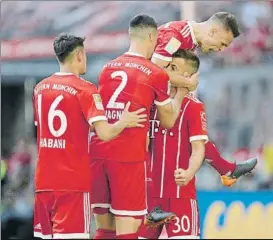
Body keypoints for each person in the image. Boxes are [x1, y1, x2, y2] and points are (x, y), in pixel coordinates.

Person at [32, 33, 147, 239]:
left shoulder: (40, 88)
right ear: (78, 55)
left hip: (43, 183)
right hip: (72, 184)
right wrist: (124, 121)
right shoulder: (85, 89)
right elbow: (105, 133)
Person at [89, 14, 188, 239]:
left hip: (97, 152)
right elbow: (168, 120)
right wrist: (182, 92)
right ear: (152, 36)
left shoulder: (106, 68)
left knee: (104, 229)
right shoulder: (155, 74)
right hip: (127, 158)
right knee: (127, 231)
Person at [151, 12, 257, 187]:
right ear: (213, 32)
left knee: (193, 118)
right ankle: (226, 170)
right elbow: (151, 72)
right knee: (192, 112)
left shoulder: (189, 40)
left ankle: (226, 170)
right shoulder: (176, 37)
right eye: (223, 44)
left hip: (157, 97)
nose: (221, 50)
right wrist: (186, 82)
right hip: (142, 99)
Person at [138, 50, 208, 239]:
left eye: (172, 67)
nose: (166, 70)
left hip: (180, 197)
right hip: (148, 196)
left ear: (186, 76)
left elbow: (199, 149)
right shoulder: (151, 101)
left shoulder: (193, 106)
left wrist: (188, 172)